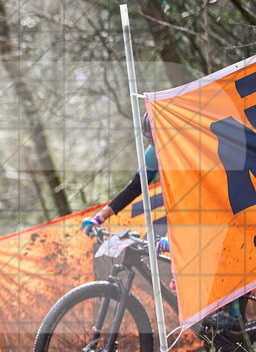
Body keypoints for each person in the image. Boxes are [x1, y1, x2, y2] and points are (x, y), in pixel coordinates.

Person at [81, 113, 240, 327]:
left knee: (213, 252)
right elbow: (135, 187)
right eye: (151, 141)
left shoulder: (187, 148)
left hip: (217, 202)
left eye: (158, 141)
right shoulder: (153, 153)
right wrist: (100, 216)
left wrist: (174, 237)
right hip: (191, 212)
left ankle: (236, 316)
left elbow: (197, 198)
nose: (155, 146)